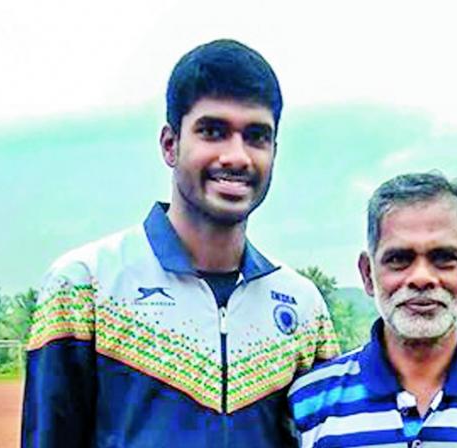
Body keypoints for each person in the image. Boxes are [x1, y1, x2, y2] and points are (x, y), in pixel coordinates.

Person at [21, 39, 339, 448]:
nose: (237, 156)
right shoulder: (86, 286)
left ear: (274, 150)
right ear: (170, 144)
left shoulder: (302, 306)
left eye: (256, 136)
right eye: (213, 131)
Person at [288, 172, 457, 448]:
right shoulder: (305, 405)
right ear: (367, 274)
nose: (421, 277)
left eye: (444, 258)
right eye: (398, 258)